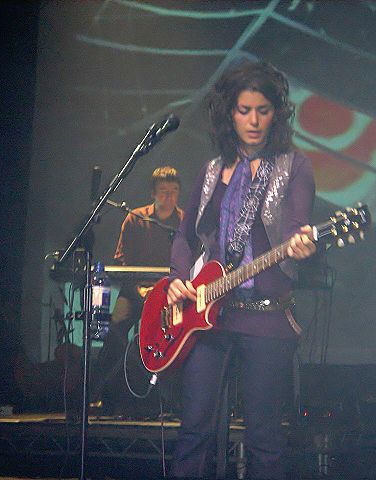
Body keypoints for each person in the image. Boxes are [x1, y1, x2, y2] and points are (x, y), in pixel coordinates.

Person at [168, 60, 317, 479]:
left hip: (268, 318)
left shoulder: (294, 167)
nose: (253, 121)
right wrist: (179, 279)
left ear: (276, 114)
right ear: (228, 114)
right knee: (194, 429)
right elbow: (184, 237)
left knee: (264, 438)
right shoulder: (213, 170)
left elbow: (294, 227)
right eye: (244, 110)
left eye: (263, 110)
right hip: (209, 318)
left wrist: (300, 245)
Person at [93, 166, 183, 410]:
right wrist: (139, 289)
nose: (168, 197)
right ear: (153, 193)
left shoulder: (184, 222)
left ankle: (172, 400)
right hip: (135, 290)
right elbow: (122, 260)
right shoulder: (135, 218)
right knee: (116, 331)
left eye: (173, 191)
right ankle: (98, 393)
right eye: (163, 191)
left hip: (170, 293)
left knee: (180, 339)